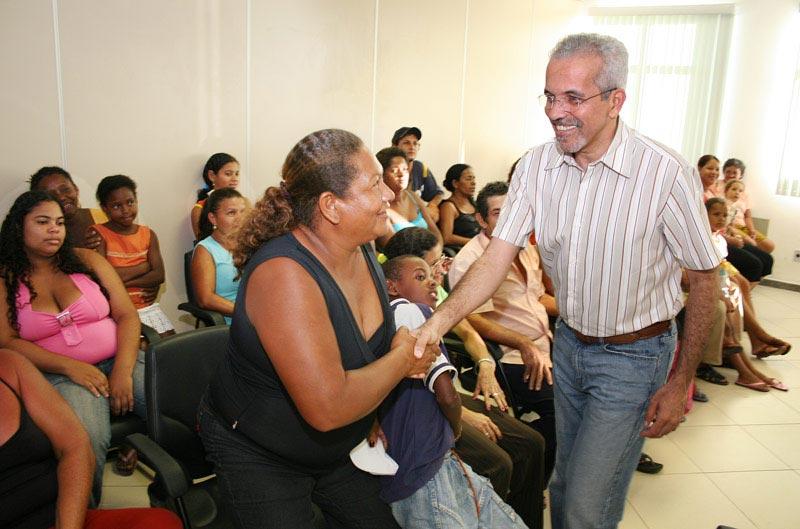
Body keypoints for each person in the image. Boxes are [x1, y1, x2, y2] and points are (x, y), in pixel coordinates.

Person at [412, 33, 721, 529]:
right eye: (550, 96)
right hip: (570, 348)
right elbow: (494, 260)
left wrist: (681, 379)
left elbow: (705, 278)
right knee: (562, 486)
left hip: (635, 357)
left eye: (573, 98)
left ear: (615, 100)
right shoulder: (537, 165)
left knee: (586, 505)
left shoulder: (664, 173)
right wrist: (436, 323)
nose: (556, 112)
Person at [198, 129, 437, 529]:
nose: (388, 194)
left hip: (336, 447)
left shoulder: (360, 246)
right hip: (261, 452)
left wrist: (370, 406)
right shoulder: (284, 275)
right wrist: (402, 359)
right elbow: (328, 408)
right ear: (331, 206)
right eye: (374, 184)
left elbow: (356, 355)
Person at [382, 227, 546, 529]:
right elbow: (444, 393)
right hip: (435, 412)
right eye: (428, 270)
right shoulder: (412, 311)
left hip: (443, 401)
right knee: (499, 463)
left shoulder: (426, 298)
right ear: (394, 284)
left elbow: (467, 332)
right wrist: (461, 420)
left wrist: (485, 363)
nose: (437, 277)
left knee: (531, 443)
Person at [0, 191, 147, 504]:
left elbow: (127, 315)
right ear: (18, 227)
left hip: (121, 359)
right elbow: (7, 342)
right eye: (43, 222)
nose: (54, 229)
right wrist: (70, 366)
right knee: (87, 439)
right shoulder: (5, 279)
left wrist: (122, 371)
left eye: (59, 222)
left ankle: (184, 488)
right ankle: (84, 514)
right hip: (58, 375)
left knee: (180, 403)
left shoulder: (87, 260)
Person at [0, 348, 181, 529]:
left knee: (162, 522)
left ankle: (173, 492)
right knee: (92, 431)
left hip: (62, 516)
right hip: (64, 373)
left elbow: (75, 446)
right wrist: (70, 366)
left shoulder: (10, 365)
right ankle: (91, 503)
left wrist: (122, 370)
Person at [449, 181, 557, 480]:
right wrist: (522, 342)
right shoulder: (471, 260)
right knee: (559, 413)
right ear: (482, 220)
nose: (509, 218)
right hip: (511, 356)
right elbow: (471, 318)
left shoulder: (526, 247)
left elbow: (537, 297)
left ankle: (543, 462)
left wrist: (578, 311)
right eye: (498, 213)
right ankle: (532, 476)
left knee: (585, 396)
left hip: (546, 344)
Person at [705, 198, 788, 391]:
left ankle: (753, 352)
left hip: (713, 278)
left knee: (736, 289)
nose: (721, 218)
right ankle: (748, 366)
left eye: (724, 215)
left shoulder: (717, 238)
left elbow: (720, 267)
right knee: (727, 302)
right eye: (716, 214)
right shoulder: (702, 237)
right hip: (700, 284)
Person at [93, 175, 174, 335]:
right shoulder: (98, 234)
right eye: (117, 206)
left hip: (146, 306)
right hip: (115, 311)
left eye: (130, 202)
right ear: (104, 208)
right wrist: (144, 267)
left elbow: (158, 275)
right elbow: (102, 279)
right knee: (139, 346)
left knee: (170, 344)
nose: (125, 210)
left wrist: (121, 282)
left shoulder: (148, 234)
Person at [192, 188, 248, 324]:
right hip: (234, 322)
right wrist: (246, 313)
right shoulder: (205, 250)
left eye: (242, 211)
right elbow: (206, 299)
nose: (240, 218)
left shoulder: (250, 243)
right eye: (231, 213)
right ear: (213, 218)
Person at [375, 147, 443, 248]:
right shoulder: (379, 206)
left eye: (405, 169)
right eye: (394, 170)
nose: (401, 174)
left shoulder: (413, 196)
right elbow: (392, 248)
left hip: (431, 255)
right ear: (382, 175)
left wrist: (438, 252)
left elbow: (435, 233)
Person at [29, 166, 104, 249]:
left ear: (76, 189)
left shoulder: (104, 217)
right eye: (51, 195)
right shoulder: (41, 235)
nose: (61, 197)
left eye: (65, 190)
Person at [391, 126, 444, 222]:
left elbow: (438, 193)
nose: (412, 147)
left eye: (415, 143)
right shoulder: (385, 168)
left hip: (415, 219)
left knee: (435, 215)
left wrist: (432, 205)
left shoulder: (421, 168)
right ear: (394, 146)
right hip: (394, 218)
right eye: (406, 143)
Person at [191, 152, 240, 239]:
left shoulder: (243, 203)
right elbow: (203, 242)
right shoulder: (199, 209)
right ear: (212, 176)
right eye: (228, 174)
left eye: (237, 174)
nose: (235, 179)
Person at [438, 163, 481, 252]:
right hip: (461, 252)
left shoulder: (475, 204)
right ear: (455, 183)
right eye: (468, 179)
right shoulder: (448, 206)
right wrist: (476, 242)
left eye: (474, 178)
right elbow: (447, 237)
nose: (473, 183)